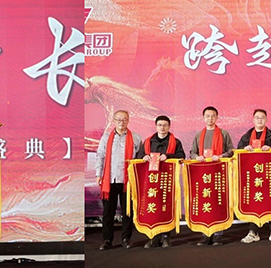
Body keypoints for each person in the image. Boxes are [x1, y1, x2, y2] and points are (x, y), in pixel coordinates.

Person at [134, 115, 186, 248]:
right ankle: (153, 237)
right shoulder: (148, 142)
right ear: (156, 126)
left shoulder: (175, 142)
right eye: (160, 125)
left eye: (165, 125)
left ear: (169, 126)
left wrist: (168, 156)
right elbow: (138, 157)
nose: (162, 127)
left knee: (167, 207)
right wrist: (144, 157)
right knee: (152, 207)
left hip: (167, 180)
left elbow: (181, 156)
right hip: (151, 181)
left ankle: (166, 237)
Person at [188, 106, 235, 245]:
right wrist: (197, 157)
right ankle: (205, 234)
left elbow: (231, 151)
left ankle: (218, 235)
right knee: (205, 201)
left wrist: (221, 156)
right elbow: (192, 152)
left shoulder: (223, 133)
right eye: (207, 116)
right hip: (203, 174)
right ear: (203, 118)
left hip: (219, 173)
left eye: (213, 116)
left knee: (218, 201)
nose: (210, 118)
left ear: (217, 117)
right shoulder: (198, 135)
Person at [237, 109, 271, 244]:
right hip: (252, 177)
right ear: (253, 120)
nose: (259, 120)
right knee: (254, 202)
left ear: (266, 119)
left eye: (262, 117)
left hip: (269, 175)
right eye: (257, 118)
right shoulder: (246, 136)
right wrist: (244, 149)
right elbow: (238, 152)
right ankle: (253, 232)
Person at [95, 110, 134, 250]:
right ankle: (107, 240)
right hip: (109, 179)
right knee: (108, 213)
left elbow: (139, 159)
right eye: (118, 119)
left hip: (127, 181)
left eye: (124, 119)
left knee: (127, 212)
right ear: (114, 120)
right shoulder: (106, 137)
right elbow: (100, 156)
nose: (121, 122)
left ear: (128, 120)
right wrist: (98, 174)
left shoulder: (135, 138)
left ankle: (126, 238)